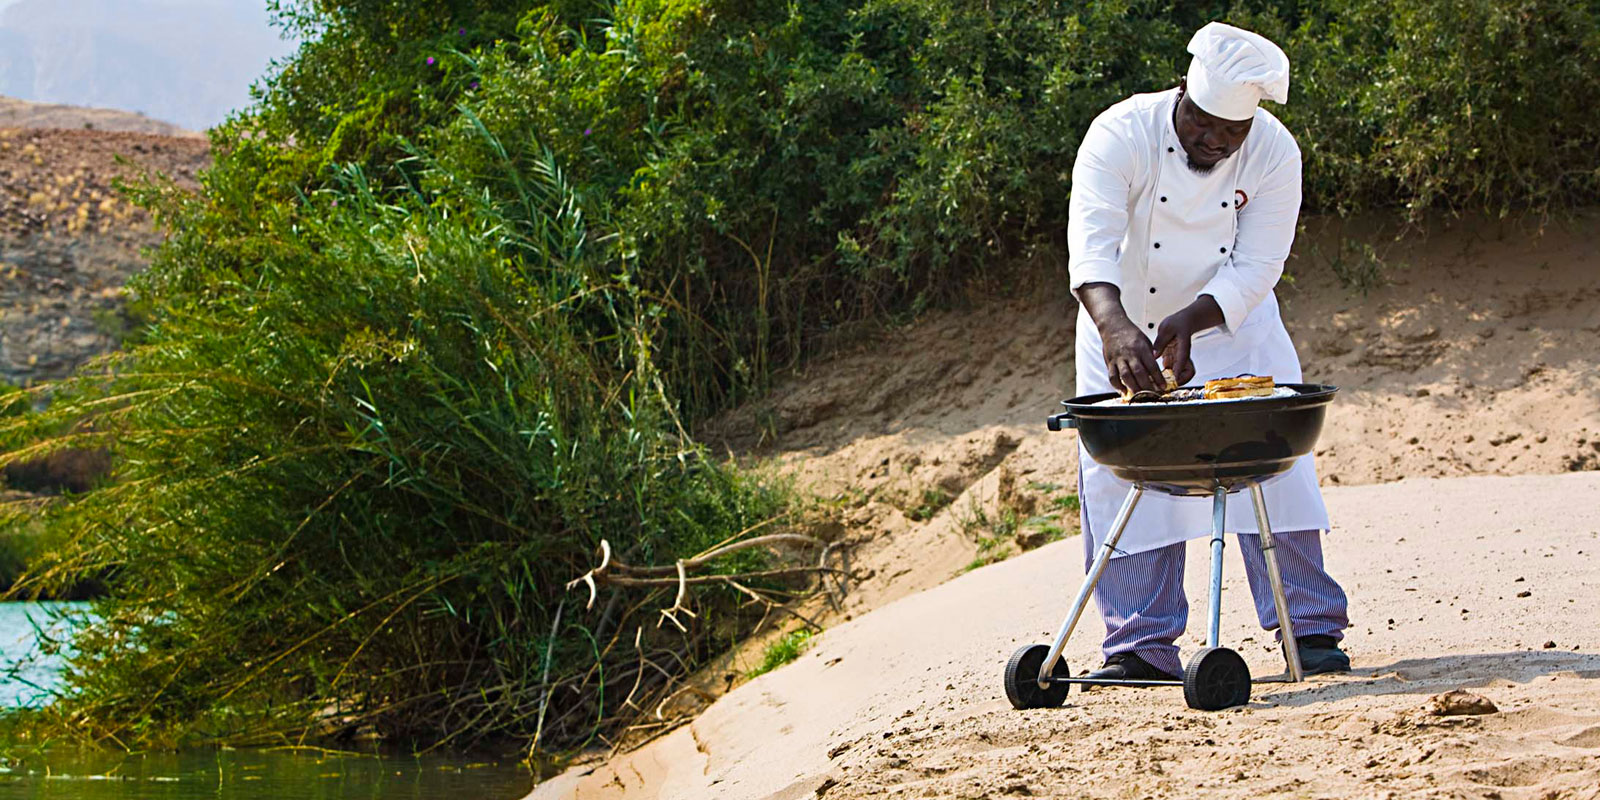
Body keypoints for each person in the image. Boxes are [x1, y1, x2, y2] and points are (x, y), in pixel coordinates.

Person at [1066, 21, 1350, 681]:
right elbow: (1092, 241)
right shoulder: (1121, 132)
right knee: (1128, 480)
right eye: (1201, 121)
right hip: (1120, 323)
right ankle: (1140, 645)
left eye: (1232, 130)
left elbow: (1258, 263)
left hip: (1233, 328)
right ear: (1182, 93)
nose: (1214, 140)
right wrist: (1115, 327)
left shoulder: (1274, 151)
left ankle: (1308, 631)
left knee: (1276, 473)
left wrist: (1193, 320)